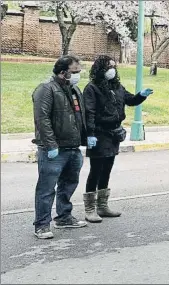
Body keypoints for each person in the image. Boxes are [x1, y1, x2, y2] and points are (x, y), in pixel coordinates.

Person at [83, 55, 154, 223]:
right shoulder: (92, 88)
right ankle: (90, 209)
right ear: (100, 69)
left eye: (114, 67)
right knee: (95, 171)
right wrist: (90, 134)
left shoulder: (117, 87)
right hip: (99, 134)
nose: (112, 70)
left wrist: (141, 95)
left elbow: (130, 100)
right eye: (108, 67)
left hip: (113, 134)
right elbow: (89, 113)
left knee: (107, 170)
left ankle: (102, 206)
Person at [32, 56, 88, 239]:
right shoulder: (46, 89)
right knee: (46, 188)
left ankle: (63, 217)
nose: (78, 75)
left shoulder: (74, 90)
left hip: (73, 147)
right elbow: (42, 119)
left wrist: (86, 137)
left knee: (68, 184)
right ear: (62, 72)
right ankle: (41, 225)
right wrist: (50, 145)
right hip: (54, 149)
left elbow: (80, 116)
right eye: (74, 72)